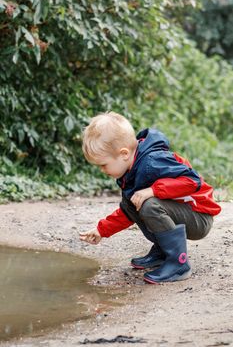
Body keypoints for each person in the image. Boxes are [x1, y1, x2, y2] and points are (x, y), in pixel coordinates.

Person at [79, 112, 221, 284]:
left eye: (104, 164)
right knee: (132, 201)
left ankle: (179, 263)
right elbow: (126, 211)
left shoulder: (152, 162)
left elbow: (192, 181)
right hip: (181, 213)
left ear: (124, 154)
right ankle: (163, 252)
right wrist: (102, 230)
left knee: (149, 205)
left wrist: (153, 190)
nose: (102, 170)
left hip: (199, 216)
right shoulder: (132, 169)